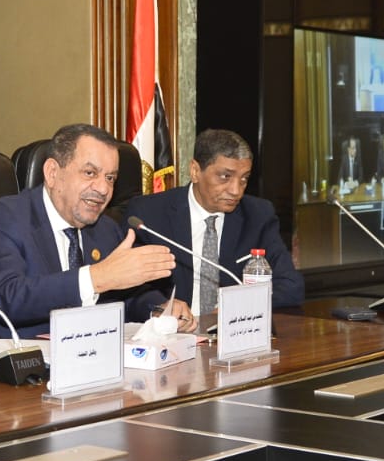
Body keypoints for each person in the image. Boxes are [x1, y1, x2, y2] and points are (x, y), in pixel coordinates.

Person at [0, 124, 178, 339]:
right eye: (90, 173)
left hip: (83, 354)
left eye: (110, 178)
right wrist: (97, 277)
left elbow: (125, 296)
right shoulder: (3, 217)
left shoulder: (106, 229)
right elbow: (8, 298)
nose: (103, 189)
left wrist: (159, 308)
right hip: (7, 355)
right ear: (52, 173)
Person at [127, 129, 304, 327]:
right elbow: (130, 288)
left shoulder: (257, 215)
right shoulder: (149, 215)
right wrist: (160, 307)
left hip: (234, 332)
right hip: (174, 334)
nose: (236, 190)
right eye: (225, 177)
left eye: (244, 179)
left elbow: (290, 287)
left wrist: (237, 306)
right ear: (195, 171)